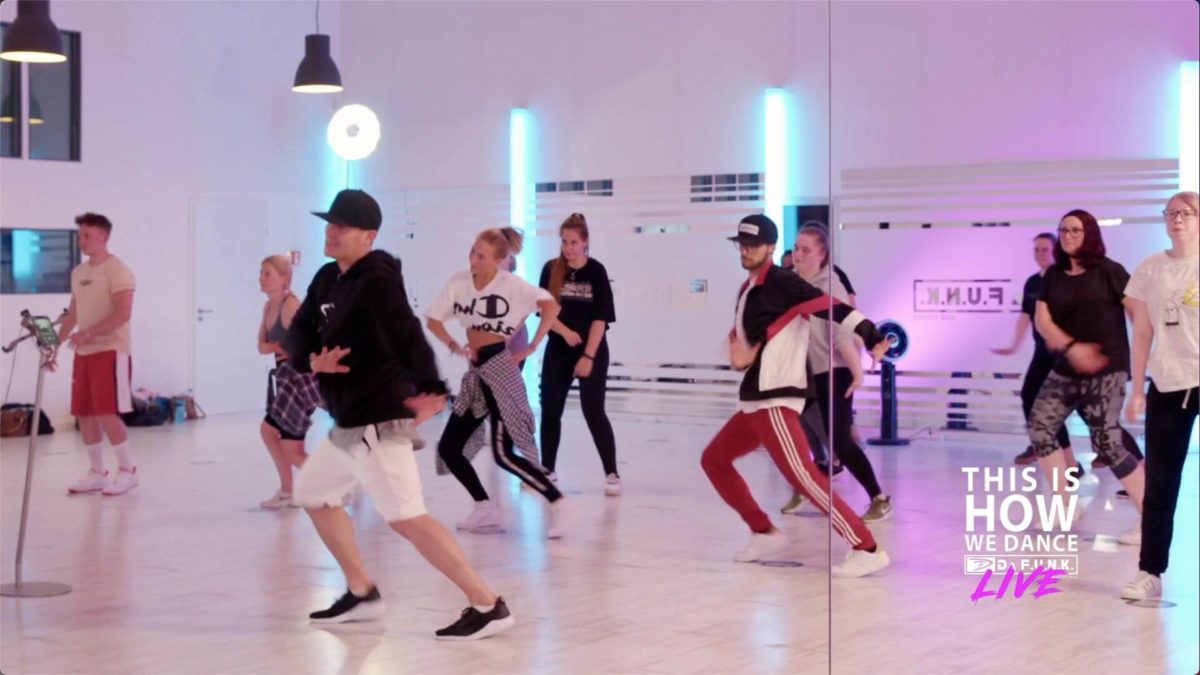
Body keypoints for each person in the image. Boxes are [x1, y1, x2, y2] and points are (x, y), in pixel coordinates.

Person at [285, 189, 513, 639]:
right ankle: (362, 592)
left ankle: (488, 604)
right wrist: (313, 360)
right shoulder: (327, 278)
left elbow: (407, 333)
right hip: (348, 421)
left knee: (407, 517)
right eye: (330, 224)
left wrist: (433, 389)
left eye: (343, 226)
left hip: (378, 419)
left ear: (368, 236)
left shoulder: (377, 281)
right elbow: (297, 335)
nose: (331, 232)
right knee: (313, 493)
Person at [700, 214, 892, 578]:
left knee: (805, 477)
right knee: (715, 460)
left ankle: (867, 547)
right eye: (741, 244)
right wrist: (738, 350)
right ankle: (763, 532)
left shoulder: (782, 282)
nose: (746, 251)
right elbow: (749, 339)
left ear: (771, 248)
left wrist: (872, 335)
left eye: (753, 245)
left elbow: (833, 307)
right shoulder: (748, 288)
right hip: (755, 400)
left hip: (776, 399)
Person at [427, 228, 569, 538]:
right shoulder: (460, 282)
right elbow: (433, 319)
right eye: (472, 252)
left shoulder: (511, 285)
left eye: (481, 256)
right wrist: (454, 345)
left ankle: (557, 501)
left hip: (500, 369)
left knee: (503, 454)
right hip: (476, 372)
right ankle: (484, 506)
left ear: (498, 260)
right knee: (450, 448)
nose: (473, 260)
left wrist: (531, 347)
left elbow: (550, 306)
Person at [1028, 208, 1146, 544]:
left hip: (1107, 367)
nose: (1068, 236)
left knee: (1107, 440)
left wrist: (1143, 360)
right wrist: (1072, 348)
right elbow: (1043, 321)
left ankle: (1150, 518)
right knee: (1040, 426)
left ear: (1090, 234)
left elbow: (1139, 313)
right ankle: (1065, 505)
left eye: (1075, 231)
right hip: (1067, 368)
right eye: (1064, 230)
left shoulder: (1109, 271)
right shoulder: (1054, 275)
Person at [1120, 191, 1199, 600]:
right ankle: (1150, 571)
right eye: (1171, 213)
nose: (1177, 219)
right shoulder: (1151, 268)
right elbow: (1142, 334)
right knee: (1161, 484)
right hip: (1168, 384)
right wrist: (1137, 389)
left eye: (1186, 213)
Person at [789, 224, 892, 522]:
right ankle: (808, 484)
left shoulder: (830, 285)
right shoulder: (792, 283)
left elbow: (843, 333)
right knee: (797, 430)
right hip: (805, 373)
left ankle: (878, 499)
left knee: (840, 441)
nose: (798, 255)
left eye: (805, 250)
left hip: (835, 371)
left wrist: (858, 373)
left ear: (822, 254)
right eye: (796, 248)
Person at [53, 213, 139, 497]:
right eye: (80, 235)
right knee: (85, 413)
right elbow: (73, 314)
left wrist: (89, 333)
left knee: (106, 411)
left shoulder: (118, 270)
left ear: (105, 236)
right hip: (84, 353)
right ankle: (97, 473)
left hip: (111, 350)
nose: (82, 241)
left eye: (87, 235)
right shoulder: (79, 273)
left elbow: (123, 313)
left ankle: (127, 472)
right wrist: (54, 346)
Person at [538, 213, 621, 495]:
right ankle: (548, 469)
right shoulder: (551, 269)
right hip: (558, 349)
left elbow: (601, 318)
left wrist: (588, 357)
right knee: (550, 409)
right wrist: (564, 332)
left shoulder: (596, 271)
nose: (568, 248)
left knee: (593, 410)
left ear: (585, 242)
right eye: (564, 242)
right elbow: (544, 311)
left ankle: (612, 472)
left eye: (573, 242)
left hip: (591, 349)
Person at [991, 233, 1080, 471]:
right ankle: (1049, 449)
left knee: (1057, 407)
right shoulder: (1032, 282)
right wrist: (1013, 345)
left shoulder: (1064, 279)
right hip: (1042, 352)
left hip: (1063, 354)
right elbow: (1024, 317)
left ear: (1055, 251)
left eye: (1044, 249)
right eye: (1036, 250)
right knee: (1030, 397)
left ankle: (1075, 460)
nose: (1040, 254)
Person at [256, 255, 312, 509]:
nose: (261, 278)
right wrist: (277, 347)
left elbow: (306, 344)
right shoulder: (268, 307)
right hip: (285, 378)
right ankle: (288, 490)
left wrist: (281, 348)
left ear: (284, 279)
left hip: (298, 380)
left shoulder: (290, 306)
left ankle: (338, 484)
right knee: (271, 433)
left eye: (267, 273)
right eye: (261, 273)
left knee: (292, 449)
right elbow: (261, 347)